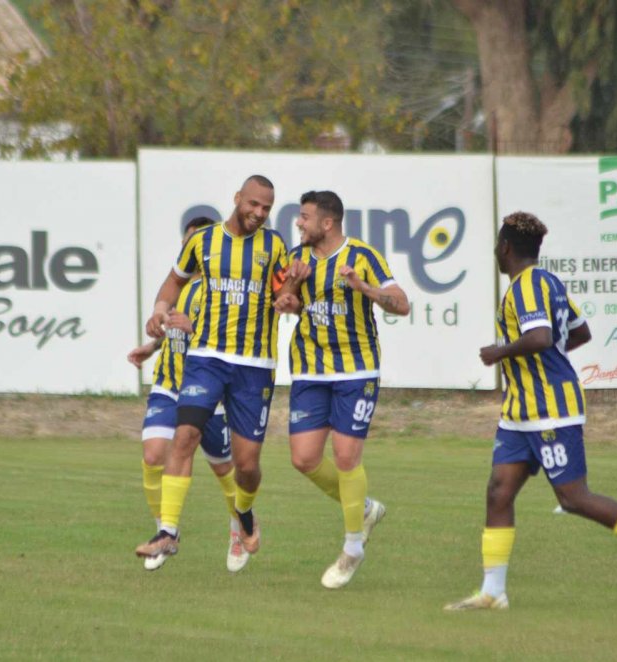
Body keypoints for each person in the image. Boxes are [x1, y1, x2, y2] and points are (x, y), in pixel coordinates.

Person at [445, 211, 617, 611]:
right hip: (519, 411)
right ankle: (493, 591)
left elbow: (540, 337)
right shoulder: (549, 282)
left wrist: (500, 353)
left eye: (496, 245)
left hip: (550, 409)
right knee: (499, 491)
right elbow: (580, 332)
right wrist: (543, 359)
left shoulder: (527, 286)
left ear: (505, 248)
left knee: (574, 497)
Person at [134, 175, 290, 567]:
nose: (259, 213)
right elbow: (173, 282)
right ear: (237, 198)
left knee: (246, 467)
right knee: (184, 435)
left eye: (266, 208)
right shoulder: (202, 242)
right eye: (253, 204)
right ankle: (168, 531)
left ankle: (245, 514)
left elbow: (288, 295)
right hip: (206, 359)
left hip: (254, 366)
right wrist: (159, 311)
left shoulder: (275, 246)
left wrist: (290, 298)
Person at [273, 190, 409, 589]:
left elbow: (401, 304)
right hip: (310, 370)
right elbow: (286, 301)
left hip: (356, 370)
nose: (299, 223)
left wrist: (363, 287)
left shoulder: (363, 256)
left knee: (346, 456)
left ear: (327, 223)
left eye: (305, 217)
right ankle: (364, 509)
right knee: (303, 459)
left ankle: (352, 548)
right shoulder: (297, 258)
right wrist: (290, 292)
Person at [126, 216, 248, 572]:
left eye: (198, 244)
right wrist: (153, 346)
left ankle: (239, 529)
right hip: (169, 385)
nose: (191, 250)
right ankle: (165, 531)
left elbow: (230, 341)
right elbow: (170, 330)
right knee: (153, 456)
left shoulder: (222, 290)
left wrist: (194, 329)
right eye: (187, 243)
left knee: (224, 470)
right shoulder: (175, 287)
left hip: (208, 393)